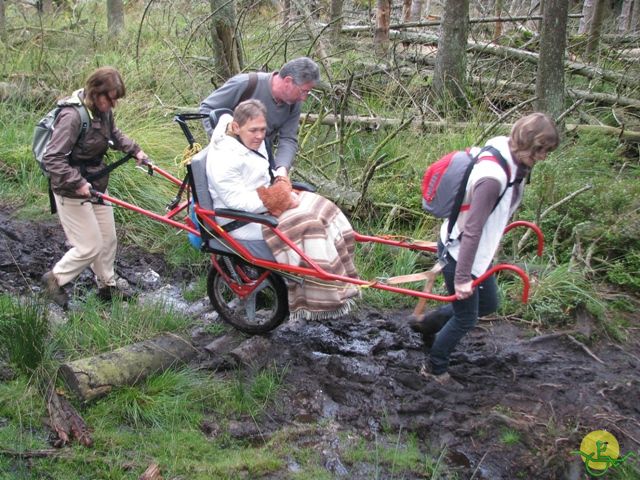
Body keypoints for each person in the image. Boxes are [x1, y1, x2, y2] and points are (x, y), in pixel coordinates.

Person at [411, 112, 560, 385]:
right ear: (527, 144)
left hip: (477, 253)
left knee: (489, 303)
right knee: (466, 318)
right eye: (541, 151)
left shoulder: (508, 151)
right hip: (461, 252)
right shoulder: (492, 178)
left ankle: (426, 325)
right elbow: (473, 229)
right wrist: (462, 278)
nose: (543, 158)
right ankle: (434, 368)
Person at [206, 99, 359, 320]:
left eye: (262, 129)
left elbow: (263, 174)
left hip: (264, 205)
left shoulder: (247, 143)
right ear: (236, 127)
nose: (260, 136)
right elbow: (236, 202)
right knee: (311, 225)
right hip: (240, 220)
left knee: (327, 209)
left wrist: (280, 181)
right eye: (254, 131)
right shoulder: (224, 158)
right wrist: (280, 197)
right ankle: (321, 296)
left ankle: (344, 281)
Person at [41, 67, 148, 308]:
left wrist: (135, 150)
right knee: (89, 246)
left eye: (115, 99)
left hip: (96, 182)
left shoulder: (103, 110)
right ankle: (54, 279)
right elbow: (53, 159)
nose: (112, 104)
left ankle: (107, 286)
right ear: (94, 91)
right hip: (70, 188)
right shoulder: (72, 117)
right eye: (109, 98)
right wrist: (78, 183)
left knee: (108, 239)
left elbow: (114, 134)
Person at [199, 56, 320, 178]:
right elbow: (207, 108)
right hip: (228, 162)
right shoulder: (246, 84)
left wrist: (281, 169)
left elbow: (288, 139)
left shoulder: (294, 103)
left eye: (307, 93)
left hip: (260, 164)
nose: (304, 98)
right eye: (303, 91)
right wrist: (222, 142)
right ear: (288, 81)